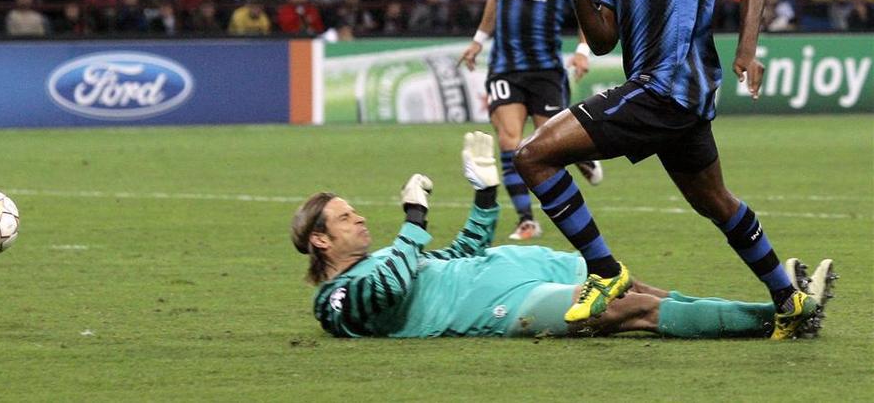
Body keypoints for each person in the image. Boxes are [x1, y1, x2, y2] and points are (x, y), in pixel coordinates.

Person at [511, 0, 818, 339]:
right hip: (671, 99)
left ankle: (605, 271)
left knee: (532, 156)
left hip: (665, 85)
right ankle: (789, 299)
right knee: (715, 201)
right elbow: (604, 38)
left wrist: (747, 50)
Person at [291, 132, 834, 339]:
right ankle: (778, 316)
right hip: (502, 306)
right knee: (631, 311)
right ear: (320, 241)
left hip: (512, 267)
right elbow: (387, 290)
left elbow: (455, 254)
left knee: (643, 291)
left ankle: (783, 304)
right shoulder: (336, 298)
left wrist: (485, 194)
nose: (358, 219)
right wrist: (413, 220)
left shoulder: (391, 257)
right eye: (344, 218)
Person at [459, 0, 602, 242]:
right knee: (510, 141)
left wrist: (582, 51)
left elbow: (585, 8)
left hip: (545, 71)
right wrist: (478, 40)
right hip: (505, 68)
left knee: (546, 147)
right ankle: (526, 220)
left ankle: (580, 155)